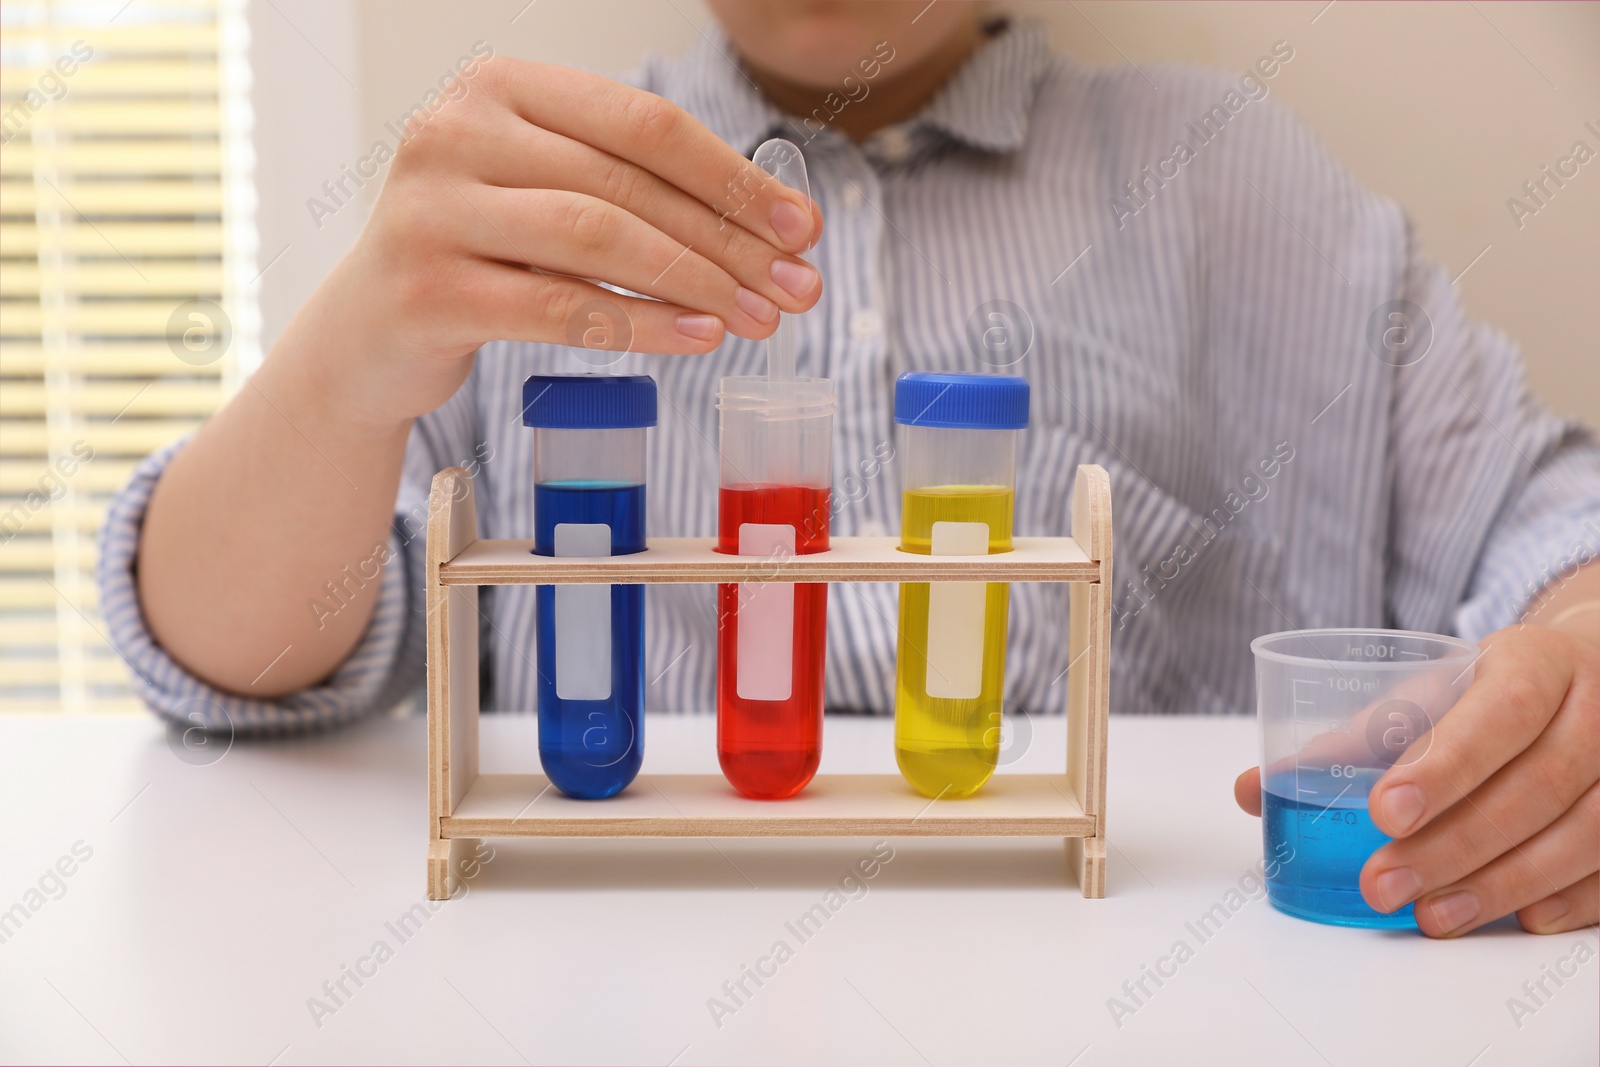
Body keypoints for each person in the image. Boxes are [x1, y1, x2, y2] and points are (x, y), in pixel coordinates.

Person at [99, 2, 1597, 937]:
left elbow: (1552, 520)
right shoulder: (524, 220)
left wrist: (1579, 656)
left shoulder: (1232, 182)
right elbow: (228, 662)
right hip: (625, 981)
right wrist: (360, 340)